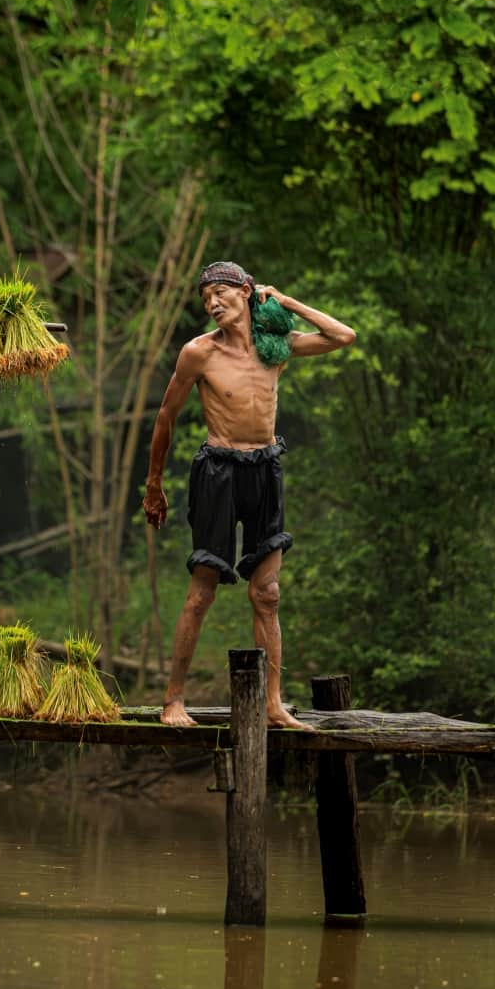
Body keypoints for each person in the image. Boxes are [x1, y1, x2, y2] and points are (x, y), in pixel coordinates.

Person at [142, 261, 356, 729]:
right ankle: (173, 701)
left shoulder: (274, 348)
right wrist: (154, 484)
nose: (212, 304)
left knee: (268, 593)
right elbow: (165, 416)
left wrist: (285, 302)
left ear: (245, 292)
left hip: (266, 469)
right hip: (218, 471)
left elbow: (344, 336)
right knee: (202, 593)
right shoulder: (199, 353)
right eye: (205, 299)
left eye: (219, 293)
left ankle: (273, 704)